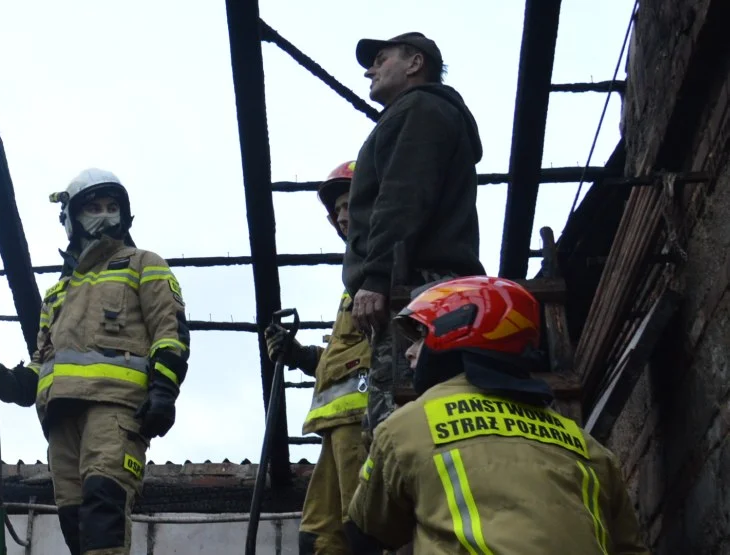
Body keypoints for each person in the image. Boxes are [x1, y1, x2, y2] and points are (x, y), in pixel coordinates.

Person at [344, 276, 649, 554]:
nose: (410, 353)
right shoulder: (587, 446)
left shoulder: (407, 427)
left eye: (421, 337)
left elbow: (367, 532)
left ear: (456, 329)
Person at [0, 168, 190, 555]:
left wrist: (163, 391)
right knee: (75, 526)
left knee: (104, 506)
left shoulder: (144, 264)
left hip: (115, 410)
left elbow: (169, 332)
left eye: (112, 207)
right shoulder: (58, 293)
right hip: (61, 419)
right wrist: (9, 383)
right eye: (94, 207)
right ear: (72, 219)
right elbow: (42, 362)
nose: (105, 215)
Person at [344, 31, 486, 438]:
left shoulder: (421, 109)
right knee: (418, 413)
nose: (370, 69)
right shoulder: (422, 113)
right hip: (426, 285)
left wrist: (376, 277)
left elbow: (404, 196)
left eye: (381, 58)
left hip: (416, 285)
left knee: (397, 425)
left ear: (414, 63)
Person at [265, 161, 370, 554]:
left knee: (363, 527)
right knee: (320, 536)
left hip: (366, 422)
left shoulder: (392, 267)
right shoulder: (356, 283)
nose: (342, 217)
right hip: (338, 426)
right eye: (336, 211)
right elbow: (349, 355)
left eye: (350, 205)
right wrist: (297, 354)